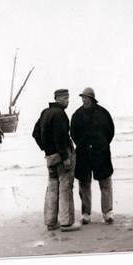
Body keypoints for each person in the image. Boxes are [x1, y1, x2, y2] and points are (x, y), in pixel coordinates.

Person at [32, 89, 80, 232]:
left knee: (52, 188)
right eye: (65, 98)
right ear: (58, 98)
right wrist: (65, 157)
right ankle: (66, 223)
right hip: (61, 155)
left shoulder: (45, 112)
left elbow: (35, 133)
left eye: (68, 98)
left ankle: (51, 222)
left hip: (50, 157)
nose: (67, 101)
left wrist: (46, 148)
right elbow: (60, 137)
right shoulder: (60, 114)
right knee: (66, 188)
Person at [71, 87, 115, 224]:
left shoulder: (103, 113)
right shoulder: (77, 115)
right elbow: (73, 134)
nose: (83, 100)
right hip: (83, 153)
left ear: (92, 99)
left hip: (101, 153)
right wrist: (82, 144)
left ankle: (107, 213)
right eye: (82, 98)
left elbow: (110, 132)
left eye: (86, 98)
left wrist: (102, 144)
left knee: (105, 182)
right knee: (84, 183)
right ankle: (86, 214)